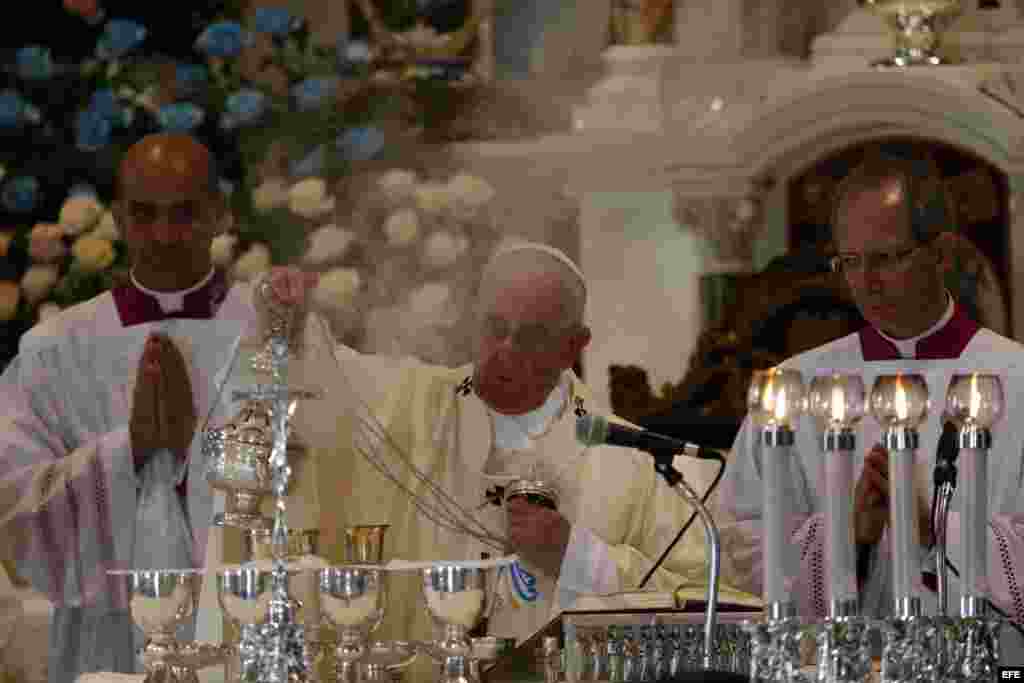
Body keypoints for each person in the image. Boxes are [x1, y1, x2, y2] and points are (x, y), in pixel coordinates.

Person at [263, 241, 760, 679]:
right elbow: (321, 377)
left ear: (573, 346)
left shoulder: (633, 461)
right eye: (494, 328)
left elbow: (712, 604)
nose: (503, 350)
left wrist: (579, 558)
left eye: (529, 336)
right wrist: (285, 321)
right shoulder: (406, 407)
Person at [0, 133, 298, 682]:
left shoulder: (274, 334)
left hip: (244, 633)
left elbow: (319, 480)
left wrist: (202, 466)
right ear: (118, 217)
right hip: (105, 640)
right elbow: (13, 505)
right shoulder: (53, 350)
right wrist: (128, 452)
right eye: (144, 215)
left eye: (184, 214)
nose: (163, 235)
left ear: (219, 214)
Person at [716, 151, 1024, 661]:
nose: (865, 282)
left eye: (886, 258)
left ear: (942, 253)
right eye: (850, 262)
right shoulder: (796, 386)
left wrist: (940, 529)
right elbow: (740, 543)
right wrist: (847, 536)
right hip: (844, 663)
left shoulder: (1015, 378)